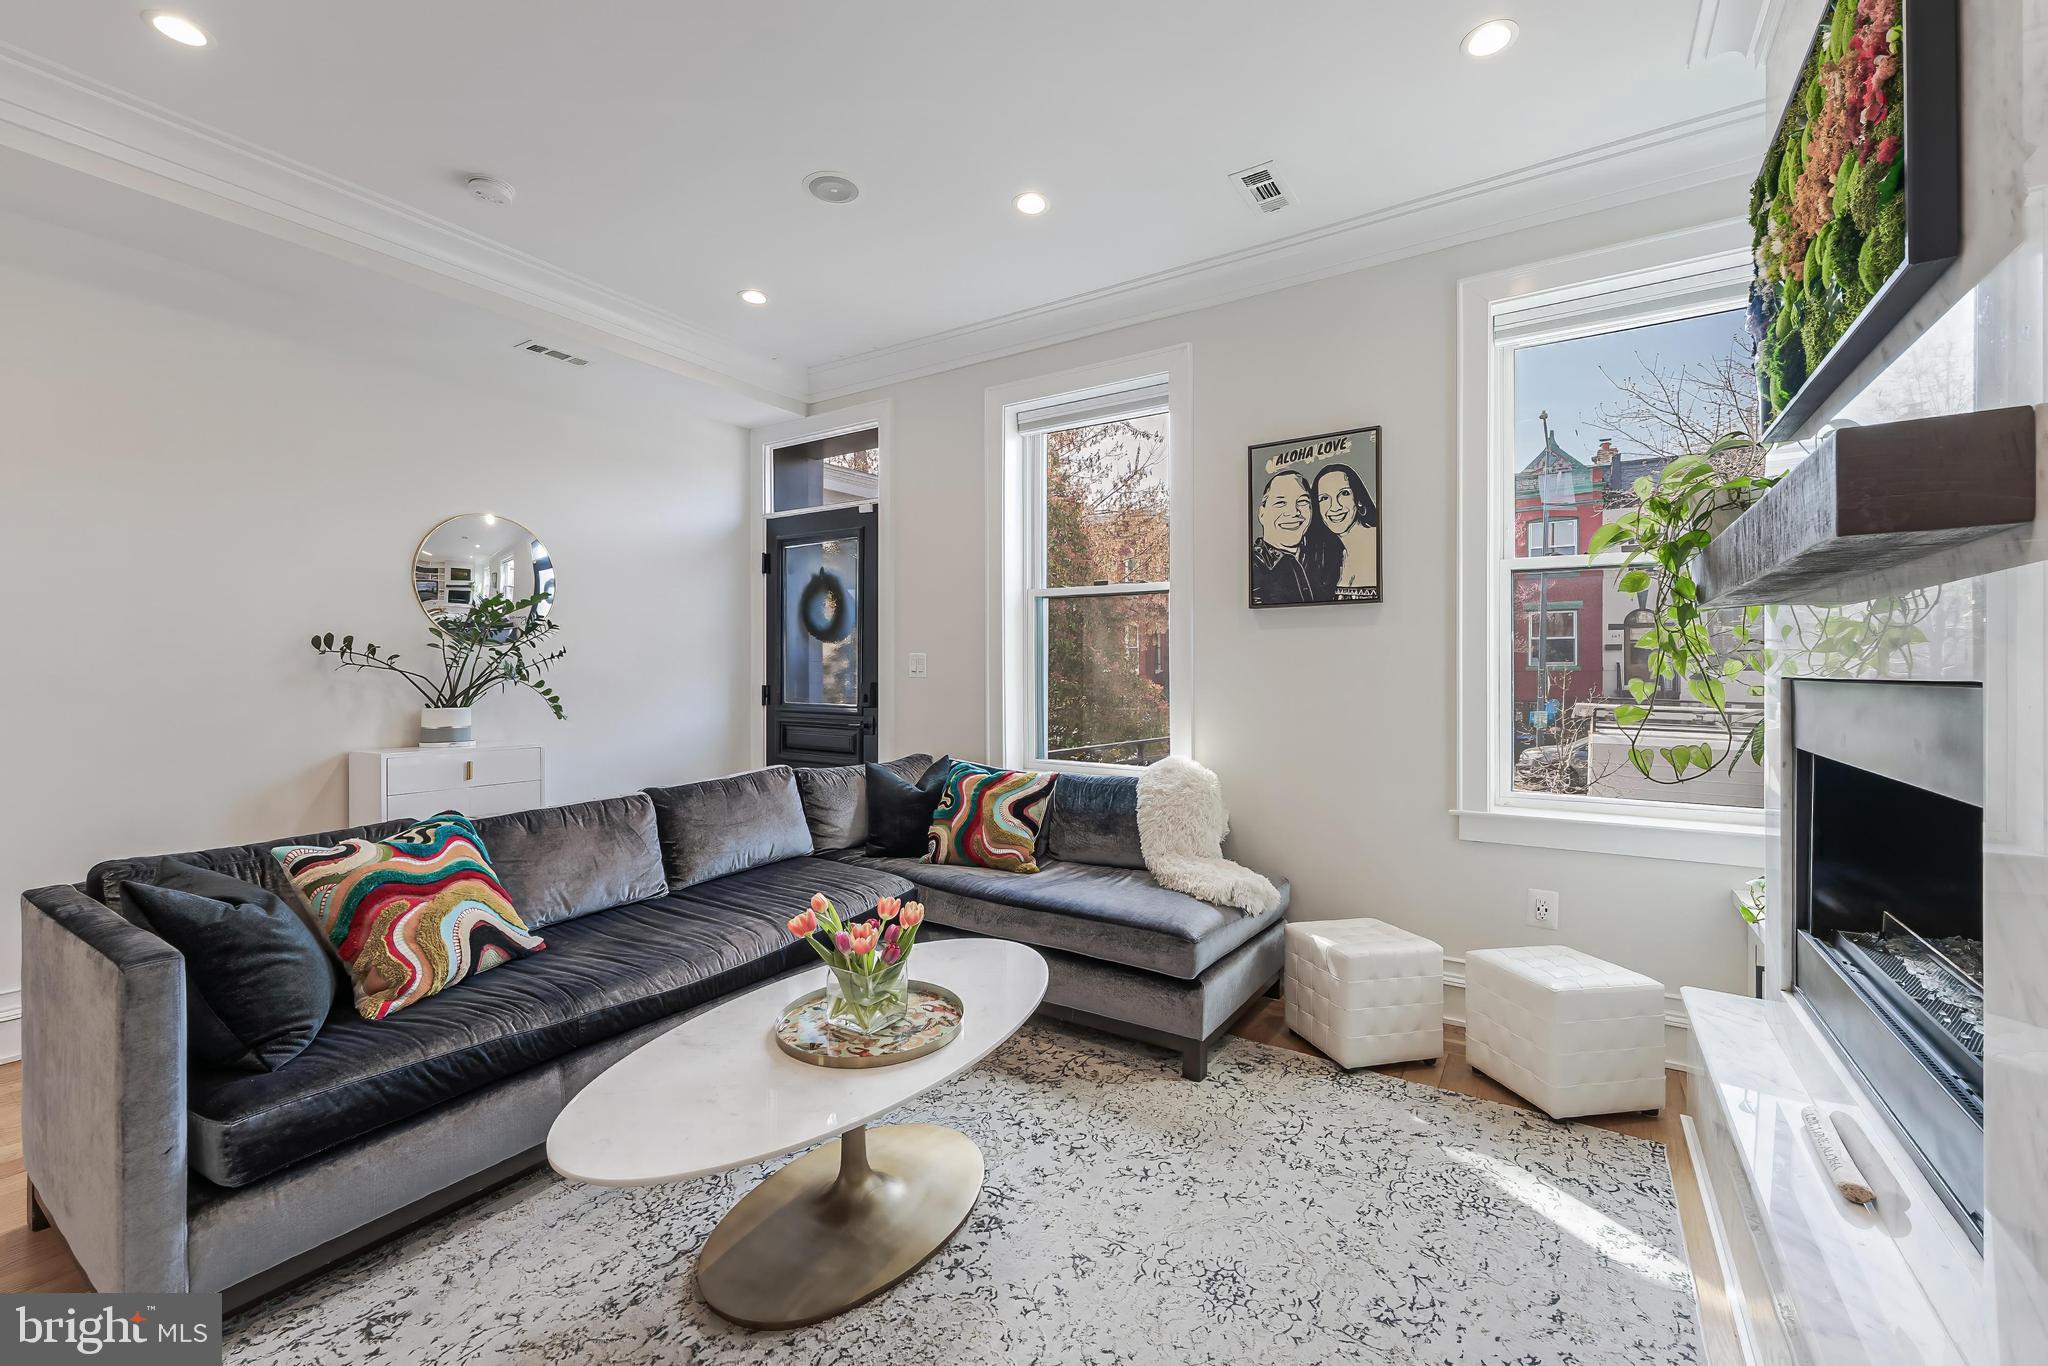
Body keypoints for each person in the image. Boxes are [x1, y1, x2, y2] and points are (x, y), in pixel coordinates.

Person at [1313, 463, 1379, 599]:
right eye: (1324, 498)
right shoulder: (1331, 556)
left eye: (1344, 493)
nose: (1334, 507)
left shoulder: (1379, 542)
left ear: (1358, 499)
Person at [1251, 470, 1316, 605]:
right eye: (1281, 503)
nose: (1293, 512)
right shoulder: (1253, 566)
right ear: (1262, 514)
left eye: (1302, 501)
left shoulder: (1320, 558)